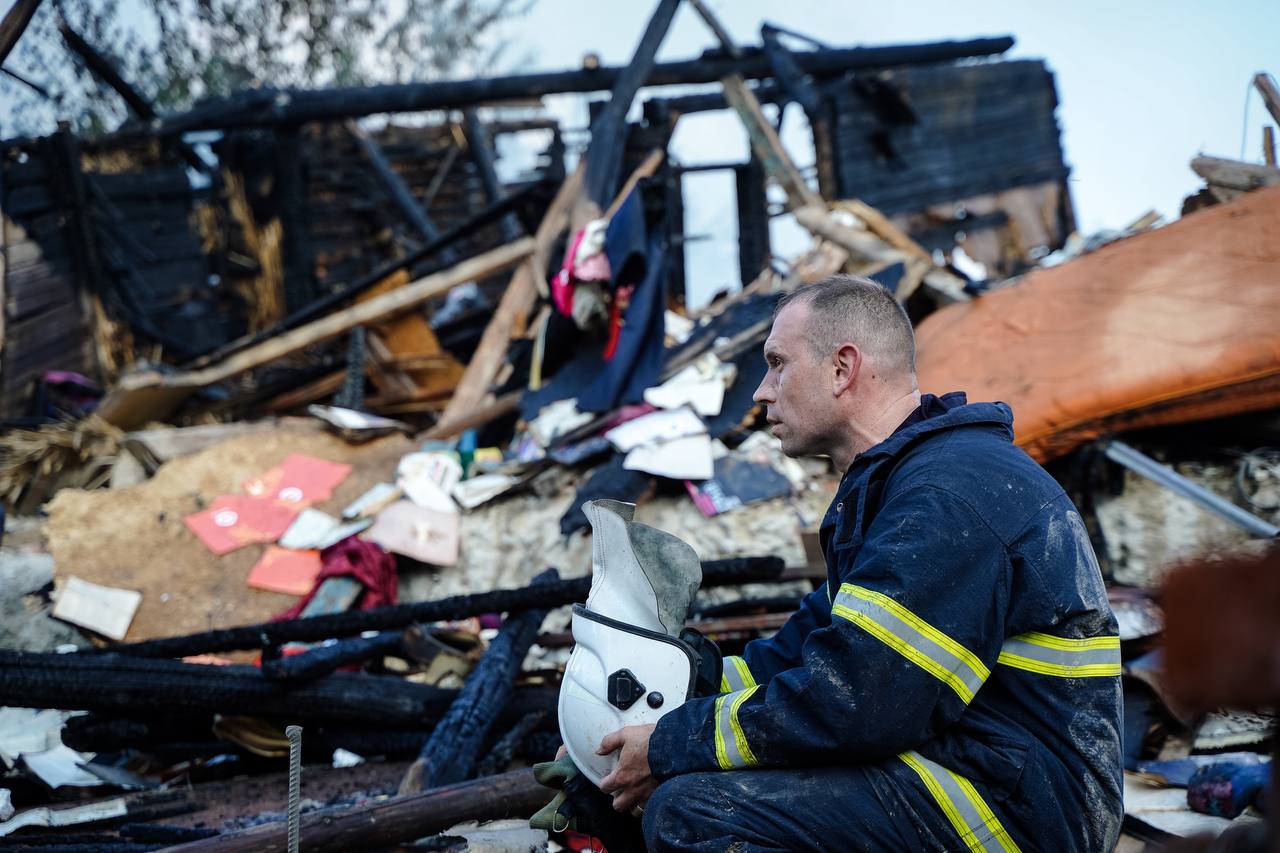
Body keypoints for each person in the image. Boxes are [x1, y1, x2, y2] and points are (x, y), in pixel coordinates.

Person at [594, 275, 1124, 852]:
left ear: (842, 368)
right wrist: (653, 709)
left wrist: (672, 745)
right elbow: (801, 654)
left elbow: (860, 702)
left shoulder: (948, 495)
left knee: (695, 813)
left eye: (777, 364)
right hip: (970, 770)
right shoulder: (900, 488)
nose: (760, 392)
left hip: (1022, 811)